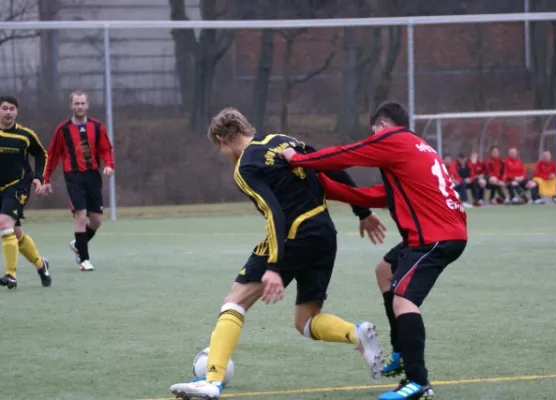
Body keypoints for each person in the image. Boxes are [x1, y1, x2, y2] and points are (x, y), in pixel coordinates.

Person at [169, 108, 386, 400]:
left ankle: (212, 379)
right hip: (324, 233)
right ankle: (355, 333)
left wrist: (273, 265)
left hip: (294, 234)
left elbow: (274, 211)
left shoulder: (244, 166)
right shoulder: (283, 140)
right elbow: (331, 166)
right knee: (306, 321)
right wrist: (363, 211)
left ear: (222, 139)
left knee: (235, 301)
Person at [281, 101, 468, 400]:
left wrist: (298, 160)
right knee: (385, 271)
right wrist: (324, 186)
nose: (374, 139)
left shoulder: (394, 140)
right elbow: (378, 195)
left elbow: (346, 155)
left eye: (374, 133)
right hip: (438, 233)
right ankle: (400, 351)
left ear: (382, 126)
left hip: (434, 237)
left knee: (404, 301)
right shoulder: (418, 148)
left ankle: (419, 382)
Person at [42, 91, 114, 271]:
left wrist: (109, 165)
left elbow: (106, 149)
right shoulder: (63, 129)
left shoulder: (97, 127)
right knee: (80, 215)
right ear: (71, 106)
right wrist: (46, 178)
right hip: (73, 176)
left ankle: (78, 245)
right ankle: (84, 259)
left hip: (93, 175)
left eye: (82, 103)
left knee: (96, 220)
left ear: (87, 105)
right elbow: (53, 155)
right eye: (76, 104)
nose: (79, 107)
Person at [0, 95, 51, 289]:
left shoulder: (25, 135)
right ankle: (40, 264)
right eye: (4, 108)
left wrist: (39, 177)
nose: (8, 112)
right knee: (15, 233)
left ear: (17, 112)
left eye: (12, 109)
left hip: (18, 185)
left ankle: (10, 275)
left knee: (4, 223)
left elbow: (41, 154)